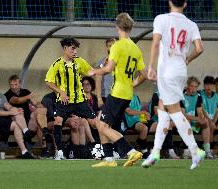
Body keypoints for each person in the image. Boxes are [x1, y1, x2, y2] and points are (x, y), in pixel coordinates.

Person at [142, 0, 205, 170]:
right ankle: (155, 152)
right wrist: (187, 59)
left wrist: (151, 66)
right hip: (180, 71)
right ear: (185, 4)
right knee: (163, 109)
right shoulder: (191, 24)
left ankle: (195, 150)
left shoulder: (161, 19)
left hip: (166, 71)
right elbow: (199, 48)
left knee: (174, 111)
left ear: (169, 2)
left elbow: (155, 43)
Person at [88, 13, 147, 167]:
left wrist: (94, 71)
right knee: (103, 123)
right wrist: (132, 84)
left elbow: (108, 68)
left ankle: (130, 151)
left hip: (117, 92)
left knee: (100, 124)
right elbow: (144, 75)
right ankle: (108, 159)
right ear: (131, 27)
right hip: (127, 93)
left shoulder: (117, 46)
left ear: (117, 27)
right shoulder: (135, 48)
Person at [45, 37, 97, 160]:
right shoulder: (57, 64)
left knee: (95, 123)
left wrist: (103, 68)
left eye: (76, 49)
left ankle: (105, 149)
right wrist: (61, 92)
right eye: (73, 49)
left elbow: (92, 72)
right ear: (65, 48)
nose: (75, 52)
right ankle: (60, 152)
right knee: (58, 121)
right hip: (64, 100)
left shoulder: (79, 61)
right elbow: (48, 82)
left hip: (79, 100)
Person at [0, 74, 34, 159]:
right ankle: (25, 144)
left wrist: (16, 109)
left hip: (3, 119)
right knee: (15, 124)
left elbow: (9, 106)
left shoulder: (1, 96)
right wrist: (12, 112)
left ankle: (25, 136)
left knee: (18, 112)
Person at [4, 75, 52, 157]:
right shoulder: (7, 94)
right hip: (18, 122)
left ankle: (44, 147)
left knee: (40, 116)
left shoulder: (25, 91)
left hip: (30, 121)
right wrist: (29, 97)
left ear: (20, 84)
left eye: (15, 84)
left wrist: (37, 107)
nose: (14, 87)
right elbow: (17, 100)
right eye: (12, 85)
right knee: (37, 120)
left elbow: (37, 103)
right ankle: (42, 139)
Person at [182, 76, 213, 159]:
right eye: (192, 86)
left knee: (205, 122)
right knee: (186, 121)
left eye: (196, 87)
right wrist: (197, 119)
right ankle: (186, 150)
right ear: (188, 85)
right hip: (180, 122)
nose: (193, 89)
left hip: (193, 121)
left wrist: (202, 119)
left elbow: (199, 112)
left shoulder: (198, 96)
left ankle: (207, 150)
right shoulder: (181, 96)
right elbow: (182, 115)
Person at [200, 76, 218, 154]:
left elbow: (217, 111)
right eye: (206, 84)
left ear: (213, 86)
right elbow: (202, 110)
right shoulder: (200, 94)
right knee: (210, 127)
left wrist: (213, 121)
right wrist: (210, 122)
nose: (208, 87)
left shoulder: (217, 97)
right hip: (203, 119)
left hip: (214, 120)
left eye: (210, 85)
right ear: (204, 85)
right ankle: (210, 149)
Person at [95, 38, 116, 107]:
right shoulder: (101, 62)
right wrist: (99, 98)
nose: (112, 48)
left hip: (118, 95)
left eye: (114, 45)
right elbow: (97, 79)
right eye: (110, 46)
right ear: (107, 47)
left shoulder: (122, 61)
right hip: (106, 95)